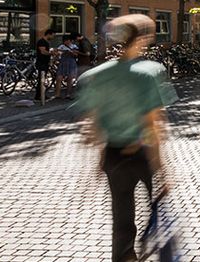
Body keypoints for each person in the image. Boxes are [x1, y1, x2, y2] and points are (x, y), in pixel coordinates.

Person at [74, 14, 177, 262]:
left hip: (114, 155)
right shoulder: (150, 73)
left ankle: (124, 257)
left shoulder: (95, 76)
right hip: (143, 153)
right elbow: (153, 124)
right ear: (142, 39)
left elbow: (93, 125)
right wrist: (162, 167)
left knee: (122, 218)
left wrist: (99, 161)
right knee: (161, 212)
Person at [55, 35, 79, 100]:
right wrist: (58, 53)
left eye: (68, 40)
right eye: (65, 41)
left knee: (70, 79)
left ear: (70, 40)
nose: (67, 42)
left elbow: (76, 55)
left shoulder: (74, 46)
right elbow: (57, 54)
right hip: (63, 63)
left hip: (71, 63)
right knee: (59, 78)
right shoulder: (61, 46)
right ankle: (57, 94)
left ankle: (68, 94)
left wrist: (71, 52)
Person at [33, 29, 54, 102]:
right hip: (41, 63)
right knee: (41, 80)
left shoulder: (46, 42)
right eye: (52, 35)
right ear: (49, 34)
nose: (53, 37)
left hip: (45, 62)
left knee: (42, 80)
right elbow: (43, 52)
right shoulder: (41, 41)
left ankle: (42, 94)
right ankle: (38, 96)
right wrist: (51, 53)